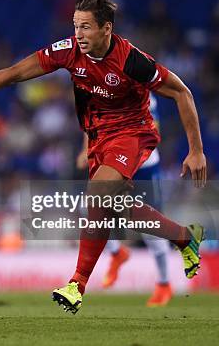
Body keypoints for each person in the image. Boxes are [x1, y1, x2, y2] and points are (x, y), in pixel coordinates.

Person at [0, 0, 206, 314]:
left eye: (86, 26)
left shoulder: (132, 60)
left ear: (107, 28)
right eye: (75, 26)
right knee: (115, 207)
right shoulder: (69, 51)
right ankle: (183, 238)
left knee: (97, 196)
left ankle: (76, 284)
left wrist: (196, 151)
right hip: (97, 137)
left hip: (132, 133)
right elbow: (16, 73)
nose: (78, 33)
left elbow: (182, 93)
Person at [77, 95, 173, 307]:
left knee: (150, 228)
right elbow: (91, 123)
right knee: (89, 208)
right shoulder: (98, 90)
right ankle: (117, 252)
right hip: (113, 161)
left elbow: (153, 130)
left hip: (143, 166)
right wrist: (87, 149)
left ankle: (164, 284)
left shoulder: (144, 96)